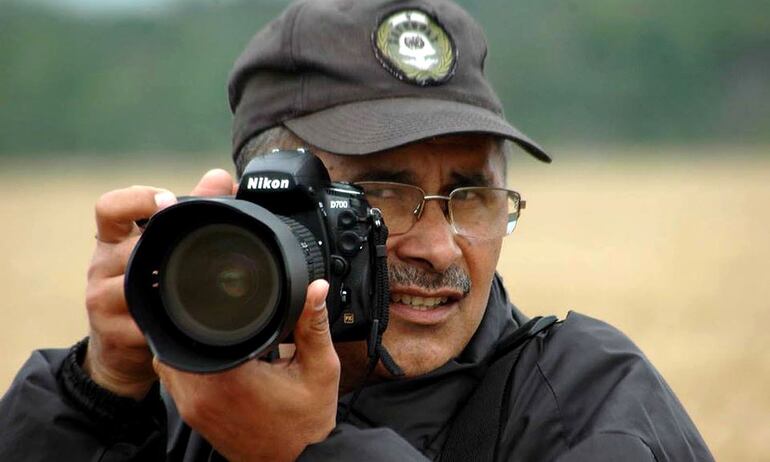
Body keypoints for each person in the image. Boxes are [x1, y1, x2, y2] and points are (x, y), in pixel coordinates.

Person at [0, 0, 714, 460]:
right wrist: (97, 392)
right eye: (380, 194)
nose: (438, 247)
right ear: (263, 201)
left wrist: (310, 450)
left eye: (471, 196)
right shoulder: (190, 389)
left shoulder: (587, 401)